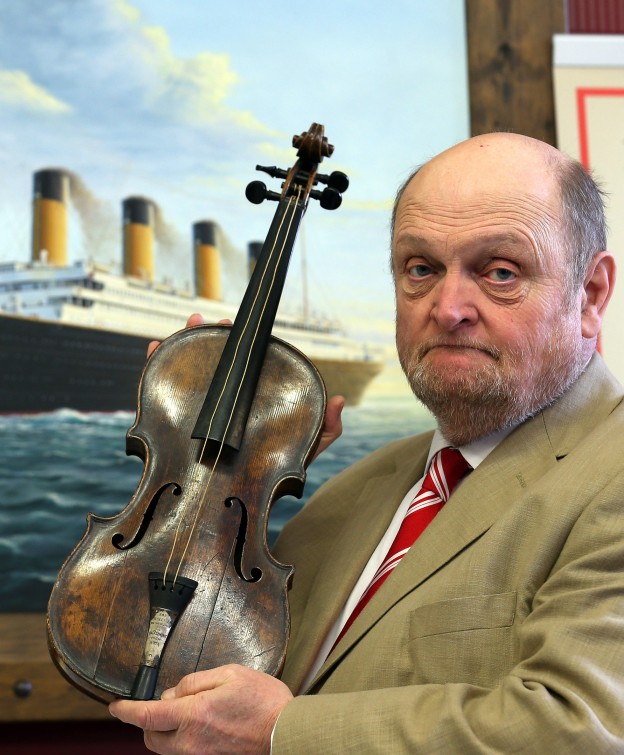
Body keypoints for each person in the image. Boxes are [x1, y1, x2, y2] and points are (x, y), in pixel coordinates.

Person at [109, 131, 623, 753]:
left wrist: (281, 733)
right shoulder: (355, 491)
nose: (447, 306)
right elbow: (171, 667)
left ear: (591, 294)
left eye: (501, 271)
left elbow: (578, 731)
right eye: (421, 269)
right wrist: (218, 475)